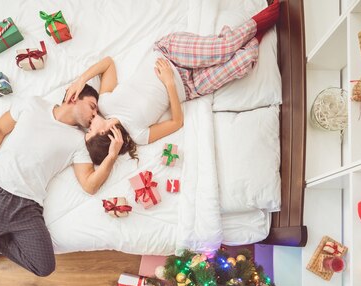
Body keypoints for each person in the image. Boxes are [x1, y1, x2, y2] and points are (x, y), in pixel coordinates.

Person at [65, 1, 280, 164]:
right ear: (104, 136)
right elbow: (177, 122)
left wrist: (81, 80)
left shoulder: (105, 104)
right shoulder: (139, 136)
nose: (89, 124)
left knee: (224, 49)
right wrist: (169, 84)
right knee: (242, 64)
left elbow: (108, 63)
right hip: (189, 87)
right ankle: (248, 36)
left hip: (170, 54)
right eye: (91, 131)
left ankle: (273, 11)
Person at [0, 85, 124, 276]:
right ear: (73, 97)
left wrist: (111, 157)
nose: (95, 114)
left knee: (44, 267)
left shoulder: (79, 141)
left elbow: (90, 185)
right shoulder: (33, 104)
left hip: (27, 207)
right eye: (92, 106)